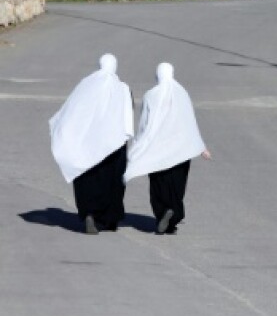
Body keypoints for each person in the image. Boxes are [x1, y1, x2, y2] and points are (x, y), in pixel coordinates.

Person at [49, 53, 134, 234]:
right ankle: (109, 218)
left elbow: (72, 108)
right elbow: (128, 114)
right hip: (114, 144)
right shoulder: (122, 88)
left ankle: (89, 213)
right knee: (113, 180)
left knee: (87, 177)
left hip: (86, 143)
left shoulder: (86, 83)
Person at [124, 63, 210, 235]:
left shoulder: (151, 95)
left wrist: (139, 145)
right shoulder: (182, 93)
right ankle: (173, 213)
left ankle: (163, 212)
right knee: (177, 185)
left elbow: (144, 123)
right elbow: (189, 122)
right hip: (180, 150)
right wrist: (201, 147)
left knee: (158, 184)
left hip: (157, 149)